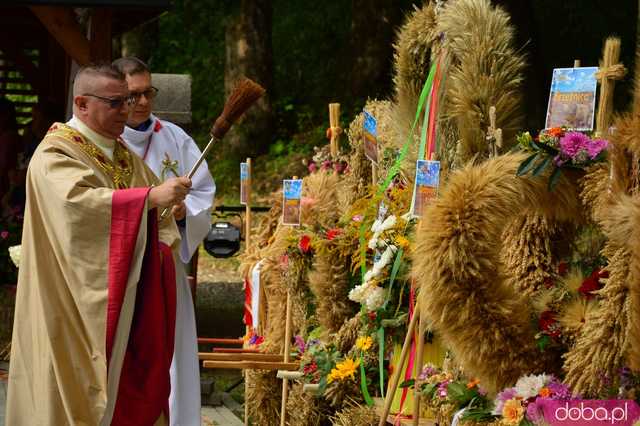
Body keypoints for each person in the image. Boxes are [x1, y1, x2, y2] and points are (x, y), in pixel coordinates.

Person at [7, 64, 192, 426]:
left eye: (128, 100)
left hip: (123, 300)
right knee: (67, 391)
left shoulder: (120, 154)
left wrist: (165, 209)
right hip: (68, 301)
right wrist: (150, 198)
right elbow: (78, 210)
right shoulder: (54, 155)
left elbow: (154, 214)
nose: (127, 110)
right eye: (116, 103)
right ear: (81, 104)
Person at [113, 57, 215, 426]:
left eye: (148, 92)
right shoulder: (106, 140)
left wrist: (186, 213)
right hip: (120, 265)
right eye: (133, 94)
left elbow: (204, 190)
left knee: (170, 352)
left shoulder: (173, 137)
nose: (142, 102)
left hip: (165, 265)